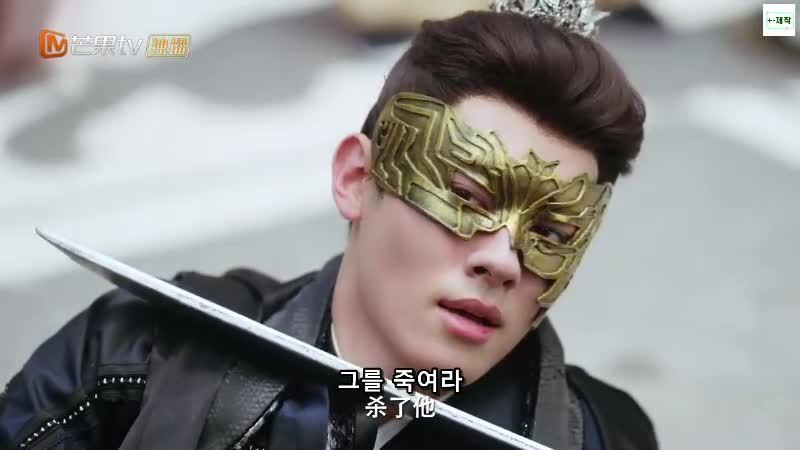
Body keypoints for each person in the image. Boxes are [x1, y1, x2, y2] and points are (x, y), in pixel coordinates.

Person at [0, 4, 658, 450]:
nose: (503, 261)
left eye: (552, 233)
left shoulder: (603, 438)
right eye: (465, 195)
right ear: (355, 177)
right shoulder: (135, 359)